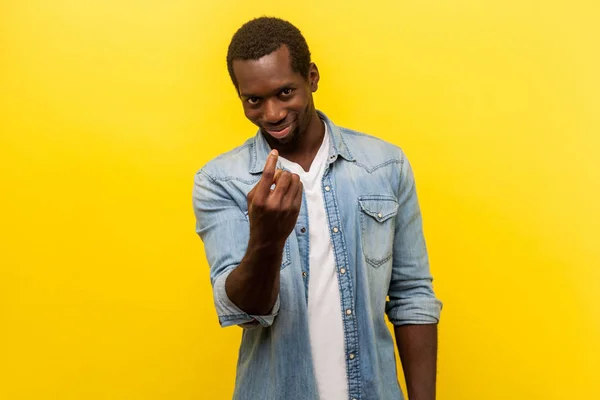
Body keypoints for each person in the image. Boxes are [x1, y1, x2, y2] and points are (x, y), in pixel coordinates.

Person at [192, 16, 442, 400]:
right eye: (254, 100)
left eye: (285, 92)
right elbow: (244, 311)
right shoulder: (220, 181)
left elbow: (412, 297)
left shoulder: (385, 166)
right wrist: (266, 239)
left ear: (312, 77)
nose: (272, 113)